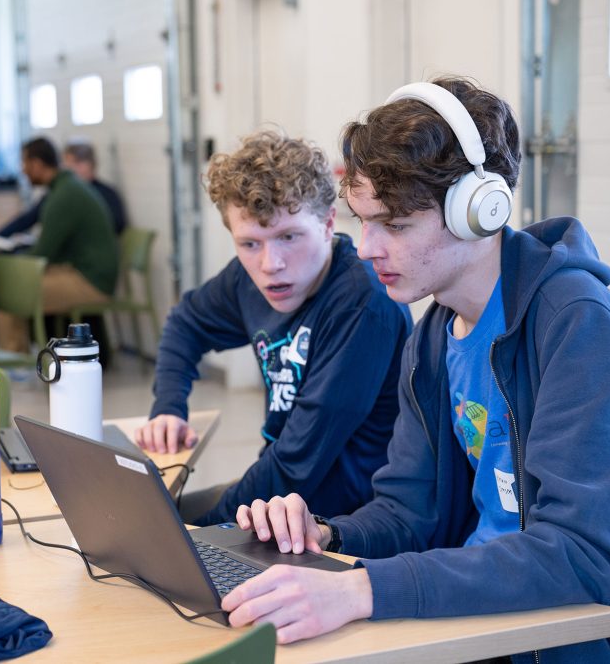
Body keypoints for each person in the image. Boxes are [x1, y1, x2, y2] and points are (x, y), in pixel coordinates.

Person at [220, 79, 610, 662]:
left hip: (573, 639)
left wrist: (363, 588)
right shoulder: (434, 335)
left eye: (394, 226)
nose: (368, 247)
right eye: (364, 221)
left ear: (480, 212)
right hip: (477, 619)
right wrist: (327, 536)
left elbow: (582, 555)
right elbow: (408, 509)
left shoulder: (575, 324)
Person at [134, 130, 412, 526]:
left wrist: (206, 533)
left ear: (328, 222)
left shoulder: (363, 304)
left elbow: (297, 462)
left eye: (289, 237)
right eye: (250, 244)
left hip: (337, 524)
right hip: (277, 502)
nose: (270, 264)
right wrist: (168, 408)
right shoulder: (252, 279)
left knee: (158, 533)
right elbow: (186, 323)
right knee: (134, 521)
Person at [21, 137, 118, 316]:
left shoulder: (64, 195)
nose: (23, 170)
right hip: (84, 272)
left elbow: (43, 253)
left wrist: (11, 264)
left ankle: (12, 345)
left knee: (12, 292)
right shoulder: (66, 186)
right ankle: (17, 345)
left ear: (36, 164)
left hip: (91, 282)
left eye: (24, 162)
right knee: (17, 285)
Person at [63, 141, 128, 235]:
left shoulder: (107, 193)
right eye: (68, 165)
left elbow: (118, 225)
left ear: (91, 164)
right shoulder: (62, 193)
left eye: (77, 163)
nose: (72, 170)